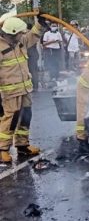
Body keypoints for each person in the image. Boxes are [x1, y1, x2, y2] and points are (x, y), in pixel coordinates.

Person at [0, 13, 46, 163]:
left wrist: (40, 24)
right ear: (12, 33)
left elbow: (32, 36)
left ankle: (22, 145)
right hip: (10, 92)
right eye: (20, 32)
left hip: (25, 90)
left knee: (26, 117)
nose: (23, 35)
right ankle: (3, 150)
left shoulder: (20, 41)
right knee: (10, 120)